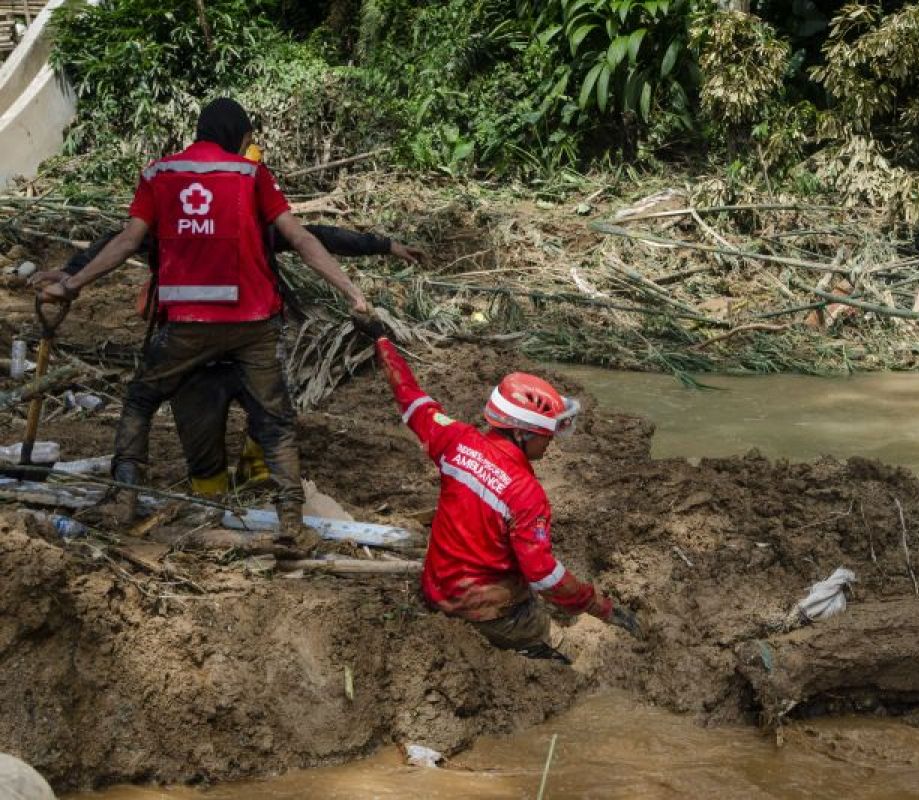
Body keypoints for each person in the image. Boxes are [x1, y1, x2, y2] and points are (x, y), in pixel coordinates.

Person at [37, 97, 368, 533]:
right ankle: (291, 521)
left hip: (187, 327)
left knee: (140, 399)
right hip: (254, 323)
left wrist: (69, 285)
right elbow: (303, 239)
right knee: (276, 420)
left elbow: (124, 242)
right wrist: (352, 292)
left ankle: (124, 497)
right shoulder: (251, 175)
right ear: (237, 135)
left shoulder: (159, 174)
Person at [33, 223, 424, 497]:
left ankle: (210, 481)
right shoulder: (234, 221)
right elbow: (312, 237)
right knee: (252, 419)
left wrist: (70, 277)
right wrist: (70, 275)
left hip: (198, 342)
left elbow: (119, 241)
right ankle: (228, 483)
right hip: (229, 343)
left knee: (242, 416)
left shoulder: (198, 220)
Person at [363, 324, 641, 660]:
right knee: (562, 649)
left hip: (436, 590)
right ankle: (539, 656)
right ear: (522, 433)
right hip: (486, 613)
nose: (550, 440)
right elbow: (543, 574)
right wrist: (598, 606)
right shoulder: (526, 494)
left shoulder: (457, 441)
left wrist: (383, 344)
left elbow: (413, 401)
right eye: (546, 433)